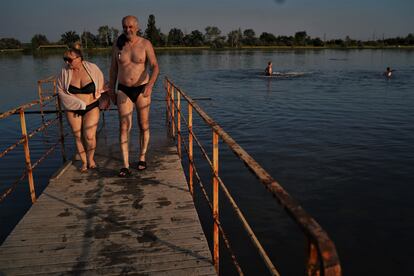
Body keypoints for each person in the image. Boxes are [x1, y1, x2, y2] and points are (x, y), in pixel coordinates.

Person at [109, 15, 159, 177]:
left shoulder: (145, 44)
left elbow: (155, 66)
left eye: (130, 27)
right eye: (124, 27)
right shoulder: (118, 45)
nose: (127, 30)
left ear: (137, 27)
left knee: (143, 124)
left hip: (142, 89)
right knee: (124, 126)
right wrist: (111, 90)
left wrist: (150, 85)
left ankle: (142, 157)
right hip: (123, 89)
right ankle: (125, 164)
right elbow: (113, 70)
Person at [57, 43, 109, 173]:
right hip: (72, 108)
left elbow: (103, 84)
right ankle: (85, 162)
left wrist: (106, 99)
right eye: (65, 59)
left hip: (91, 106)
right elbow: (60, 91)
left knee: (89, 135)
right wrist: (73, 104)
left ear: (79, 58)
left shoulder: (92, 68)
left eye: (70, 59)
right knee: (78, 136)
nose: (67, 62)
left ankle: (91, 159)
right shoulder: (64, 72)